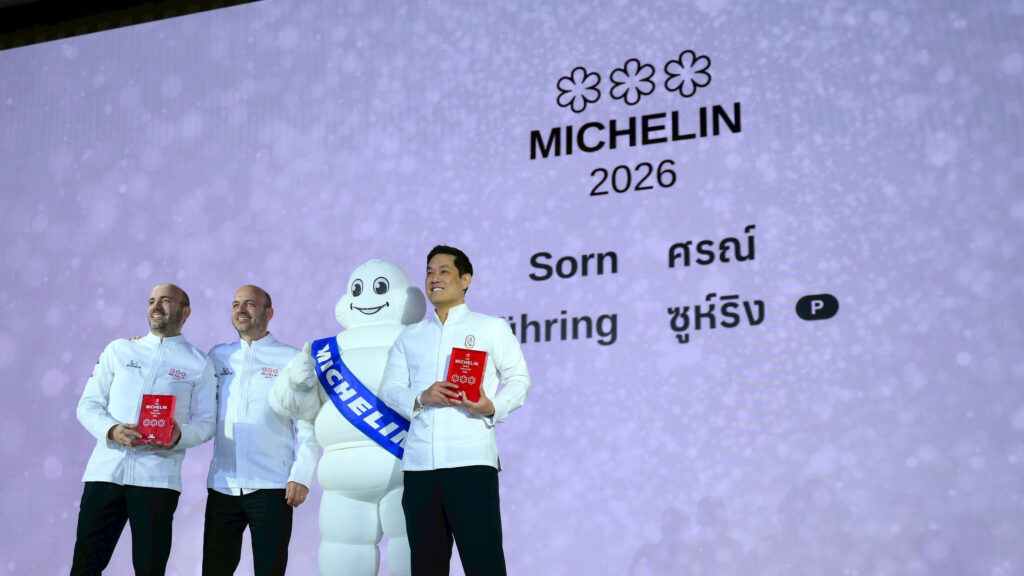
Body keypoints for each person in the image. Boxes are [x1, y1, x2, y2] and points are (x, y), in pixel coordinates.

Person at [380, 245, 531, 576]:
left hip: (471, 463)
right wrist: (421, 396)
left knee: (484, 563)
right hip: (420, 468)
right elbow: (389, 390)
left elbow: (520, 380)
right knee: (426, 566)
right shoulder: (411, 336)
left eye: (444, 271)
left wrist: (492, 406)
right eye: (429, 272)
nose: (434, 278)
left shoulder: (491, 327)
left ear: (466, 280)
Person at [73, 283, 217, 576]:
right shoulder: (119, 349)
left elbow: (207, 424)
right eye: (151, 300)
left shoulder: (198, 363)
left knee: (150, 569)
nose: (156, 306)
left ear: (185, 311)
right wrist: (112, 430)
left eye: (165, 300)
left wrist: (179, 435)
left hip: (157, 480)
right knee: (86, 566)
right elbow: (87, 405)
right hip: (105, 474)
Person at [203, 285, 319, 576]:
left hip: (272, 487)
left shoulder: (291, 359)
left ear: (269, 313)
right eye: (235, 304)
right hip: (223, 485)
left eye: (249, 304)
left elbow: (308, 422)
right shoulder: (218, 357)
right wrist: (149, 344)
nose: (240, 309)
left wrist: (301, 475)